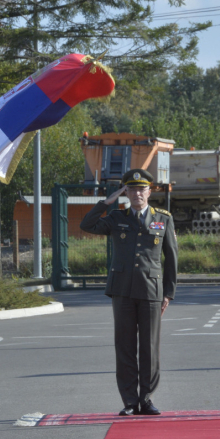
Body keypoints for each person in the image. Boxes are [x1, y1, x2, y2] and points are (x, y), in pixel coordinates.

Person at [80, 169, 178, 416]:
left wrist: (168, 293)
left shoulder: (163, 218)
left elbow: (172, 258)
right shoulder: (115, 217)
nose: (137, 193)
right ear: (125, 192)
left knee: (149, 347)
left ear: (149, 191)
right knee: (124, 347)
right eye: (131, 189)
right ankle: (129, 402)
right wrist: (107, 201)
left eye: (141, 188)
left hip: (151, 290)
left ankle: (146, 399)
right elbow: (86, 224)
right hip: (122, 290)